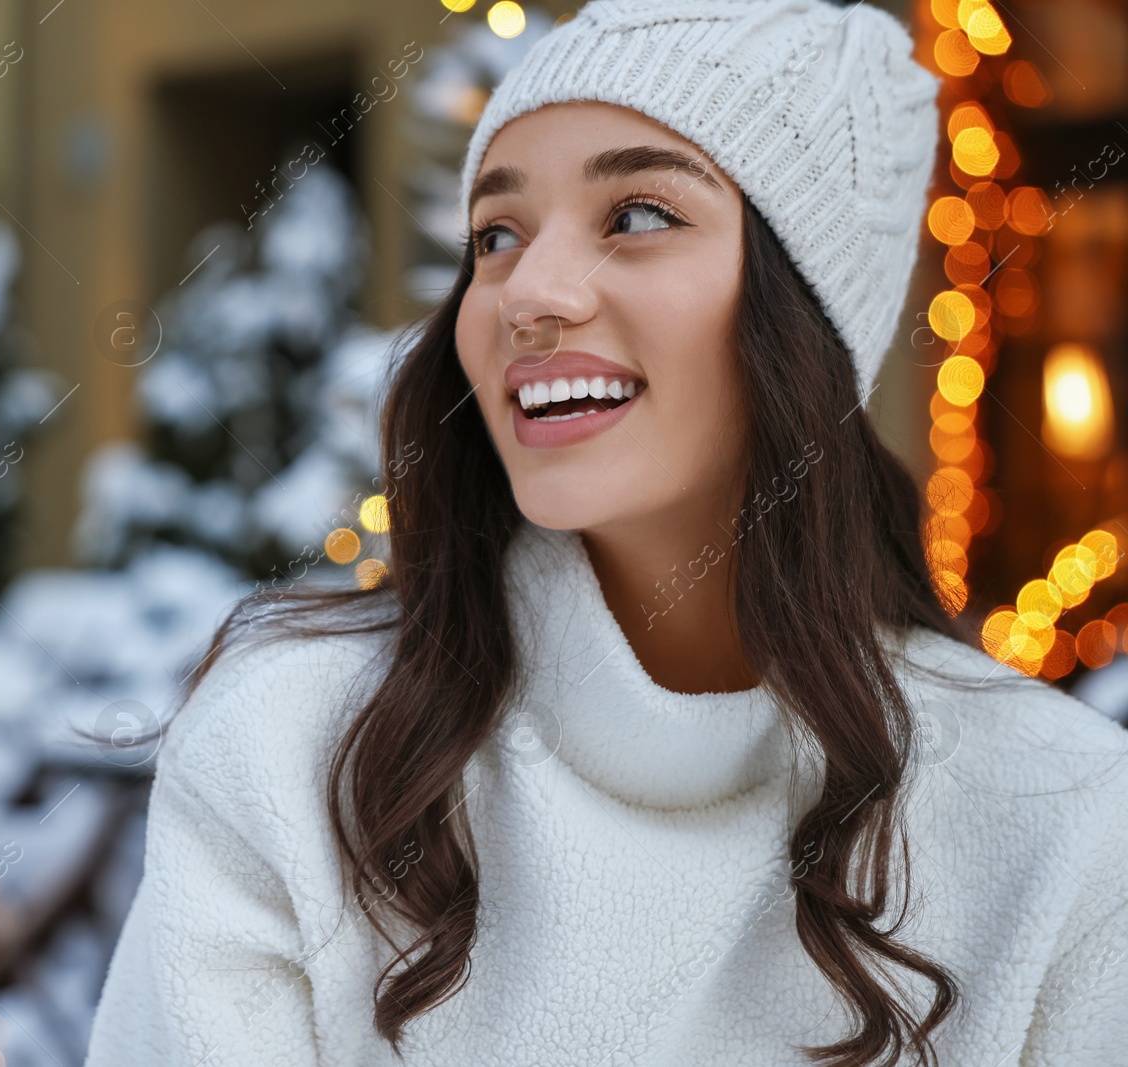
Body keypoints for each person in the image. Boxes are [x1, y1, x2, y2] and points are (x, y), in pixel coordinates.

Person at [82, 1, 1128, 1064]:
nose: (526, 292)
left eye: (636, 214)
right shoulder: (294, 744)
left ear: (801, 312)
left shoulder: (1061, 815)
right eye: (496, 234)